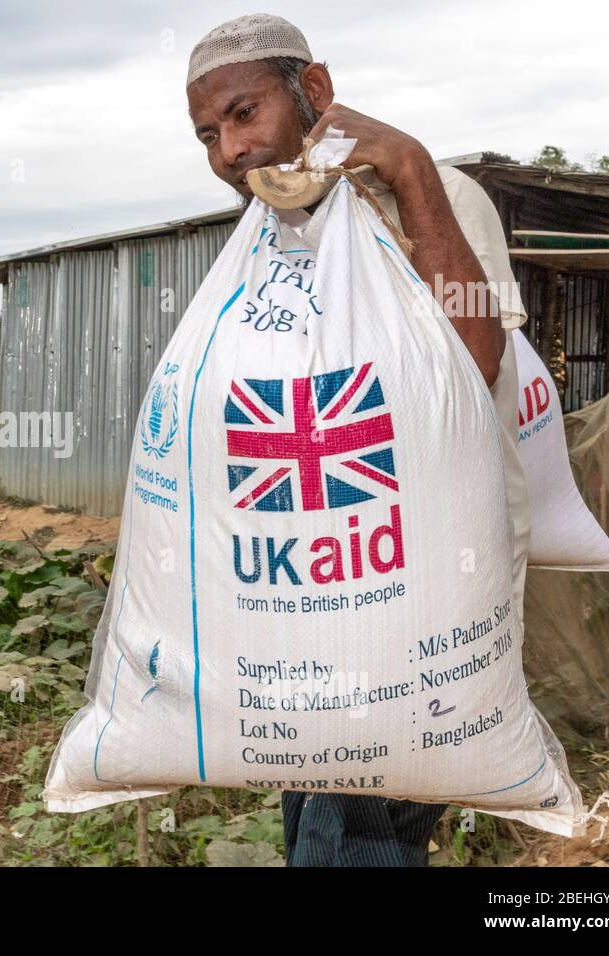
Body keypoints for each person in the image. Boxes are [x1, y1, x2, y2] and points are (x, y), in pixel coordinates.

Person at [182, 13, 530, 868]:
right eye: (207, 134)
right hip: (314, 584)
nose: (229, 149)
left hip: (421, 587)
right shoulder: (266, 240)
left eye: (243, 113)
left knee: (348, 835)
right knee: (319, 820)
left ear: (317, 93)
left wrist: (408, 168)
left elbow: (475, 360)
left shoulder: (437, 192)